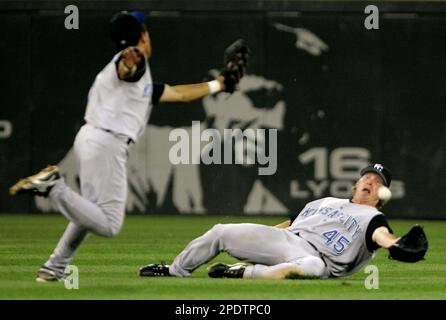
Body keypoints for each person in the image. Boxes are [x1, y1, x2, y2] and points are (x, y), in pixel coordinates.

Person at [9, 11, 238, 282]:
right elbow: (128, 66)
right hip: (107, 143)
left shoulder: (135, 80)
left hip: (92, 139)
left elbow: (177, 93)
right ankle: (54, 187)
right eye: (146, 31)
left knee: (90, 212)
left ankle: (54, 267)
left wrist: (218, 84)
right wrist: (130, 60)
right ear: (141, 36)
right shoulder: (132, 59)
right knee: (109, 224)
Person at [139, 163, 427, 279]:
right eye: (365, 176)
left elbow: (382, 238)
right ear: (355, 184)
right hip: (287, 241)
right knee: (221, 231)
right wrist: (259, 236)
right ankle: (175, 270)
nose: (369, 180)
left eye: (376, 181)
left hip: (314, 257)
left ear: (381, 195)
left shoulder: (374, 217)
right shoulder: (324, 201)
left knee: (313, 267)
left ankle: (243, 273)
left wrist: (398, 244)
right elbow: (288, 226)